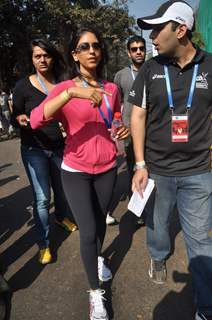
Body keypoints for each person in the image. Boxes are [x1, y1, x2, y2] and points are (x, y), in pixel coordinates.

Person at [30, 26, 129, 320]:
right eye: (84, 47)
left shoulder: (111, 88)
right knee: (87, 230)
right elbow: (36, 119)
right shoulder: (64, 89)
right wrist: (73, 92)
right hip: (75, 169)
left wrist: (120, 127)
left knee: (99, 224)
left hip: (108, 167)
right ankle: (95, 293)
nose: (92, 51)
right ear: (74, 54)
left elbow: (116, 116)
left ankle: (98, 258)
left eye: (96, 45)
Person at [129, 1, 212, 319]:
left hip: (199, 171)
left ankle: (205, 307)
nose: (150, 36)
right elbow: (138, 115)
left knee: (201, 242)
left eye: (156, 28)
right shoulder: (150, 69)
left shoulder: (210, 67)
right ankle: (158, 255)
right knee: (158, 226)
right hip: (158, 170)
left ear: (180, 30)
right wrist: (139, 164)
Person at [12, 39, 77, 265]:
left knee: (61, 190)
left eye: (45, 55)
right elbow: (15, 114)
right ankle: (44, 244)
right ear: (32, 59)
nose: (42, 60)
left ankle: (61, 217)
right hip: (34, 149)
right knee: (42, 198)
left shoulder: (63, 83)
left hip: (59, 147)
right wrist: (19, 118)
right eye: (37, 56)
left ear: (52, 57)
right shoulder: (23, 86)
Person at [112, 35, 146, 226]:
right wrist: (118, 124)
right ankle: (138, 210)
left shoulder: (154, 70)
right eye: (134, 49)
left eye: (141, 48)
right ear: (128, 52)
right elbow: (116, 102)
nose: (139, 51)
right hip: (130, 132)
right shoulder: (121, 75)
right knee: (134, 167)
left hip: (153, 129)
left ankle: (153, 205)